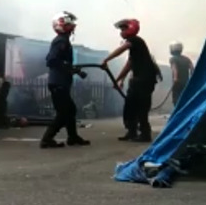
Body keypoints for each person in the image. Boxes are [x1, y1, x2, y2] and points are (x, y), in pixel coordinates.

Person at [101, 18, 161, 142]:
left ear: (130, 28)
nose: (121, 32)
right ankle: (132, 131)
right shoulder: (135, 49)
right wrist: (118, 80)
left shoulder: (135, 41)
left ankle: (145, 134)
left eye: (123, 29)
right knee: (130, 106)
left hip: (144, 81)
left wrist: (106, 59)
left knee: (141, 108)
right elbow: (129, 65)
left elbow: (121, 49)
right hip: (138, 81)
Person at [40, 11, 91, 149]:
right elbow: (51, 60)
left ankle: (73, 137)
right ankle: (46, 139)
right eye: (69, 24)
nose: (72, 26)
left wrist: (75, 70)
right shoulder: (61, 40)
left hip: (61, 82)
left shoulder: (64, 40)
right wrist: (70, 68)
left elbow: (61, 62)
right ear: (61, 26)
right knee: (64, 112)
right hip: (58, 83)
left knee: (70, 110)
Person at [169, 41, 195, 106]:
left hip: (177, 83)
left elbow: (174, 69)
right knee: (185, 98)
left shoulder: (173, 59)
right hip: (186, 82)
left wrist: (175, 78)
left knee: (176, 99)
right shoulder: (187, 59)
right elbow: (192, 68)